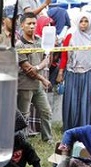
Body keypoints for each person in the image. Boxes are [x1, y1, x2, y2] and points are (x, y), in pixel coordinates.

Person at [56, 12, 91, 131]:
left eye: (86, 21)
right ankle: (70, 127)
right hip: (72, 72)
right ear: (77, 21)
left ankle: (85, 127)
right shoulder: (70, 35)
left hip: (89, 73)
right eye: (81, 21)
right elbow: (64, 55)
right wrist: (60, 73)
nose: (83, 24)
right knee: (71, 100)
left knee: (85, 101)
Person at [16, 12, 54, 143]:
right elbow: (27, 69)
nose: (32, 26)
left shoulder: (39, 40)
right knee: (24, 115)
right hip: (24, 85)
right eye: (29, 23)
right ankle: (22, 140)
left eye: (34, 23)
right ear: (22, 25)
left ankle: (47, 138)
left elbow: (46, 59)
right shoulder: (19, 45)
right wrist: (43, 78)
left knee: (46, 111)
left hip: (37, 85)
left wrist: (38, 67)